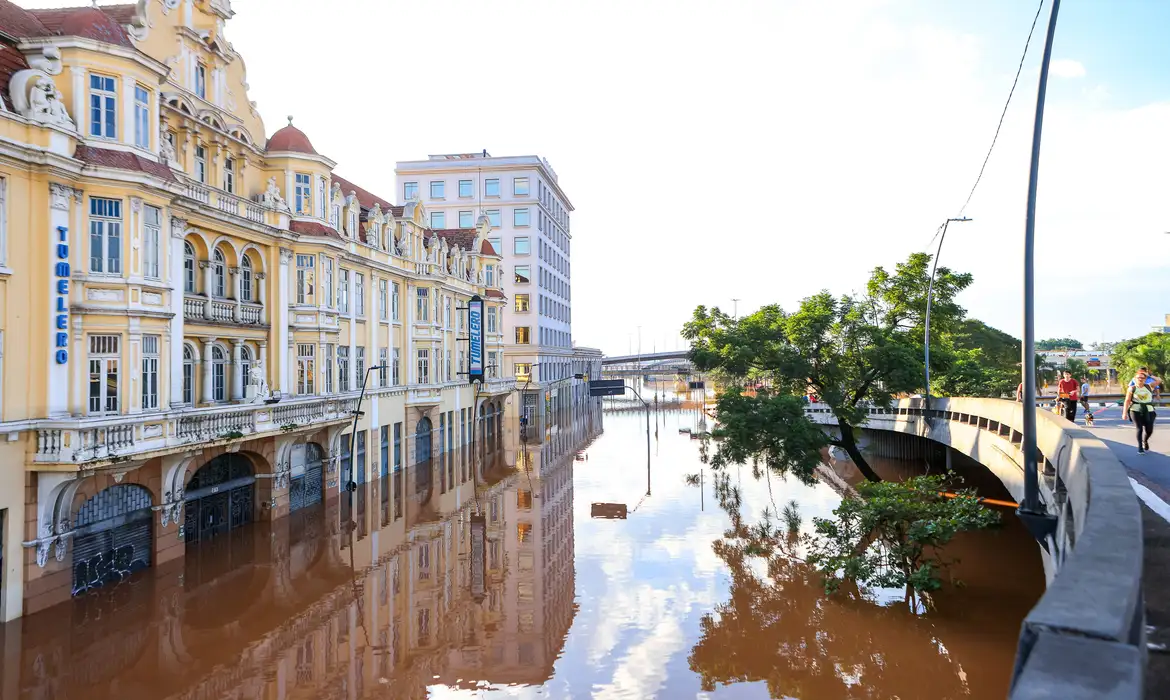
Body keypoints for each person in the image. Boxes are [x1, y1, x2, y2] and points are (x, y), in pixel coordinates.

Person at [1123, 369, 1157, 453]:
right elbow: (1127, 400)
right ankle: (1140, 448)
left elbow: (1159, 380)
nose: (1140, 379)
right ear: (1135, 379)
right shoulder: (1132, 388)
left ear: (1145, 379)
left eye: (1142, 378)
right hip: (1135, 410)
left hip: (1149, 410)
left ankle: (1145, 441)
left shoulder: (1149, 386)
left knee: (1149, 430)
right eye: (1138, 378)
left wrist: (1148, 375)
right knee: (1139, 428)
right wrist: (1124, 413)